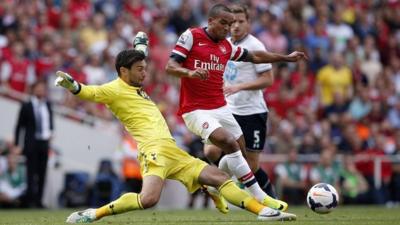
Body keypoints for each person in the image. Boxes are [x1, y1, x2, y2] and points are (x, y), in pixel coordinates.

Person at [55, 43, 297, 222]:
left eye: (145, 68)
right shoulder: (113, 89)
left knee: (219, 178)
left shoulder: (132, 82)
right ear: (123, 71)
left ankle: (263, 212)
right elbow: (89, 92)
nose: (145, 73)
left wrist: (141, 45)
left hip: (171, 149)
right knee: (148, 200)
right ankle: (92, 215)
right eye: (140, 69)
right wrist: (71, 85)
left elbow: (137, 58)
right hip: (153, 151)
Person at [165, 3, 307, 209]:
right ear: (210, 21)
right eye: (224, 23)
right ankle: (260, 198)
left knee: (240, 153)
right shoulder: (192, 36)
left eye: (231, 24)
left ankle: (215, 185)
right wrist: (189, 73)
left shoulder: (227, 46)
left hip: (223, 107)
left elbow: (256, 56)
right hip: (196, 109)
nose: (228, 28)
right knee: (226, 145)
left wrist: (286, 58)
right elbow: (171, 66)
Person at [203, 4, 276, 197]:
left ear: (248, 23)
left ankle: (270, 197)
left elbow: (268, 79)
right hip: (228, 109)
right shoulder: (223, 44)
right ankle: (224, 181)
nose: (235, 26)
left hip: (252, 111)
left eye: (241, 22)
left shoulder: (255, 46)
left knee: (251, 165)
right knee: (210, 150)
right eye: (232, 22)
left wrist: (239, 87)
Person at [14, 80, 54, 208]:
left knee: (42, 173)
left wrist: (51, 132)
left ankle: (39, 201)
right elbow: (19, 126)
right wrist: (17, 144)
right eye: (38, 88)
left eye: (43, 88)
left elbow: (50, 121)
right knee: (31, 173)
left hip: (44, 143)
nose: (41, 90)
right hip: (31, 143)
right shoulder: (27, 105)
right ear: (33, 89)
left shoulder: (47, 105)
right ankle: (29, 200)